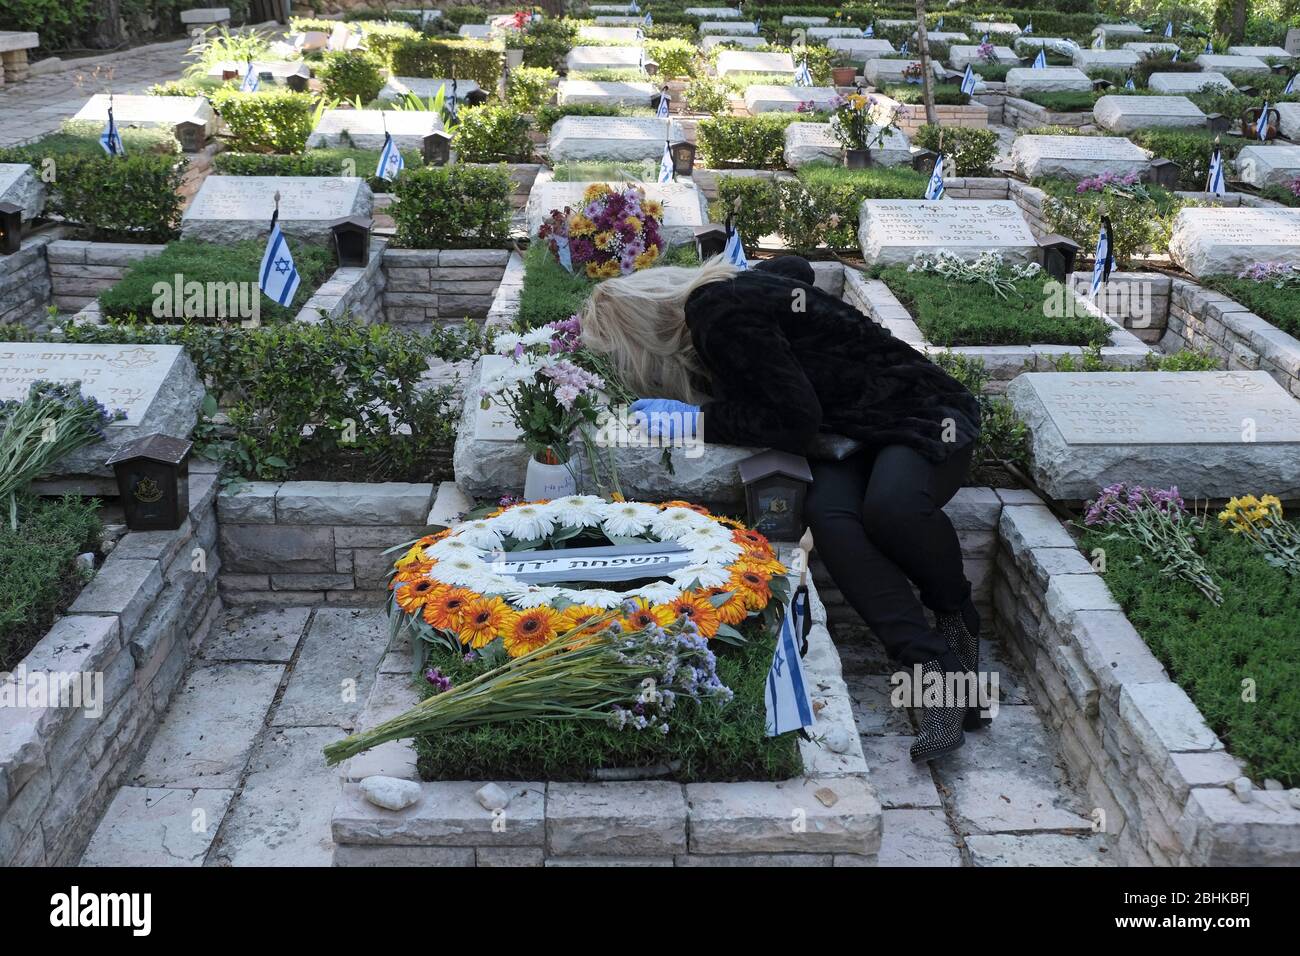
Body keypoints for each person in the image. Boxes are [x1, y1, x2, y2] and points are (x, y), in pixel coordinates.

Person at [580, 254, 985, 761]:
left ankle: (956, 615)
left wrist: (699, 421)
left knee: (891, 509)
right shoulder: (730, 292)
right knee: (834, 522)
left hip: (921, 414)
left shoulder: (715, 308)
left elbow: (792, 419)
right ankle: (936, 669)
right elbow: (797, 272)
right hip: (849, 435)